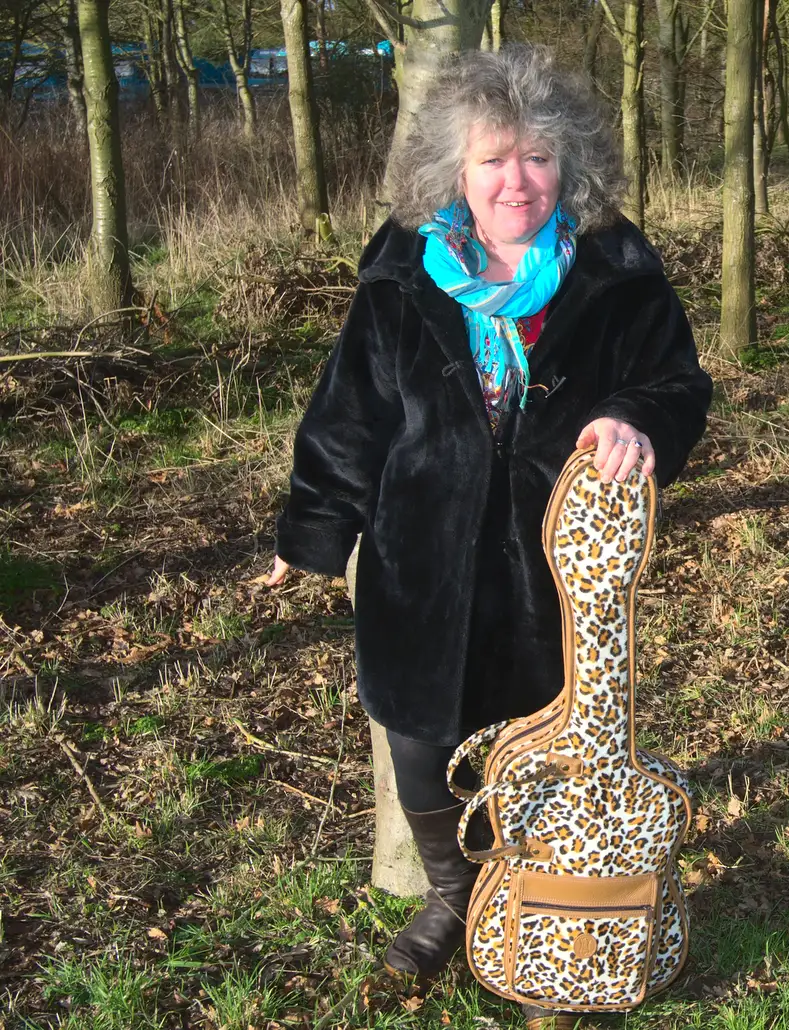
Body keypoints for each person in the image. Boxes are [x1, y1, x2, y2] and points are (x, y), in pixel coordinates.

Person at [265, 45, 711, 1029]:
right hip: (418, 561)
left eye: (539, 157)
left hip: (558, 576)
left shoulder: (618, 273)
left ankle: (546, 894)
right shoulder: (396, 279)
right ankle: (450, 898)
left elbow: (680, 384)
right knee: (423, 746)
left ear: (571, 166)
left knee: (541, 744)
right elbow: (349, 417)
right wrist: (314, 528)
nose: (517, 180)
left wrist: (639, 414)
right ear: (452, 175)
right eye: (492, 160)